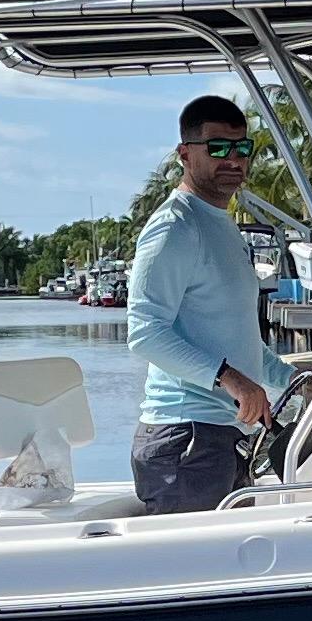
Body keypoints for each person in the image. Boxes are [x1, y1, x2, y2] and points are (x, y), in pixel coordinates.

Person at [123, 95, 293, 515]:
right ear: (185, 154)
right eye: (217, 148)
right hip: (186, 440)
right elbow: (144, 331)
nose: (232, 159)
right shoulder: (175, 227)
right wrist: (231, 380)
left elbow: (234, 337)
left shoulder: (220, 224)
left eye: (242, 148)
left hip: (222, 437)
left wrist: (290, 378)